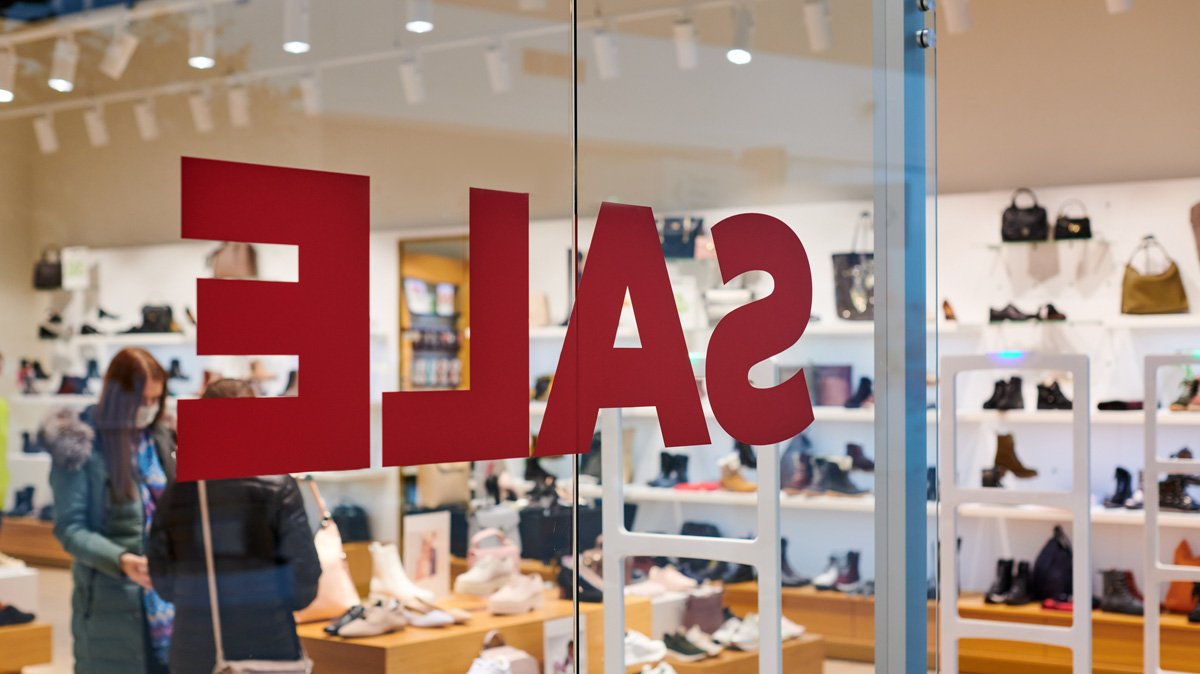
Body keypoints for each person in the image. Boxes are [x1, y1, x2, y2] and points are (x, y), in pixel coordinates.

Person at [148, 379, 320, 674]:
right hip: (268, 642)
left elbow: (161, 574)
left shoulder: (182, 487)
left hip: (196, 646)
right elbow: (303, 575)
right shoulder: (278, 486)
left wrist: (192, 598)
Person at [43, 347, 176, 673]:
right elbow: (70, 528)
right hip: (110, 600)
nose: (149, 408)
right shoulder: (82, 447)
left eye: (155, 399)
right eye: (142, 400)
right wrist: (121, 560)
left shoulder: (160, 439)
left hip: (169, 601)